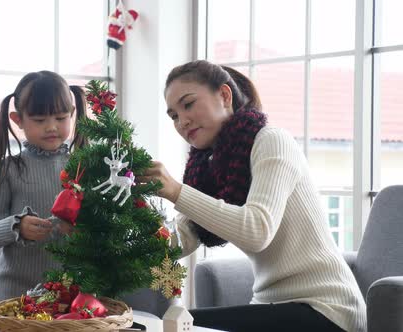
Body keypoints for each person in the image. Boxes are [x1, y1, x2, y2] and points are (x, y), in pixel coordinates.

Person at [138, 60, 366, 332]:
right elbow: (180, 241)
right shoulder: (207, 167)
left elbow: (257, 230)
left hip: (327, 310)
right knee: (171, 323)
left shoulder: (272, 140)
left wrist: (176, 191)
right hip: (272, 307)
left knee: (181, 327)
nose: (182, 121)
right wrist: (132, 214)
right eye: (173, 115)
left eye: (188, 104)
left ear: (224, 95)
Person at [0, 71, 87, 301]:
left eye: (60, 118)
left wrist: (82, 229)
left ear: (72, 114)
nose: (51, 127)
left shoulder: (84, 167)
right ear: (18, 120)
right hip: (17, 297)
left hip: (74, 297)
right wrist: (17, 227)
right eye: (39, 120)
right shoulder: (8, 169)